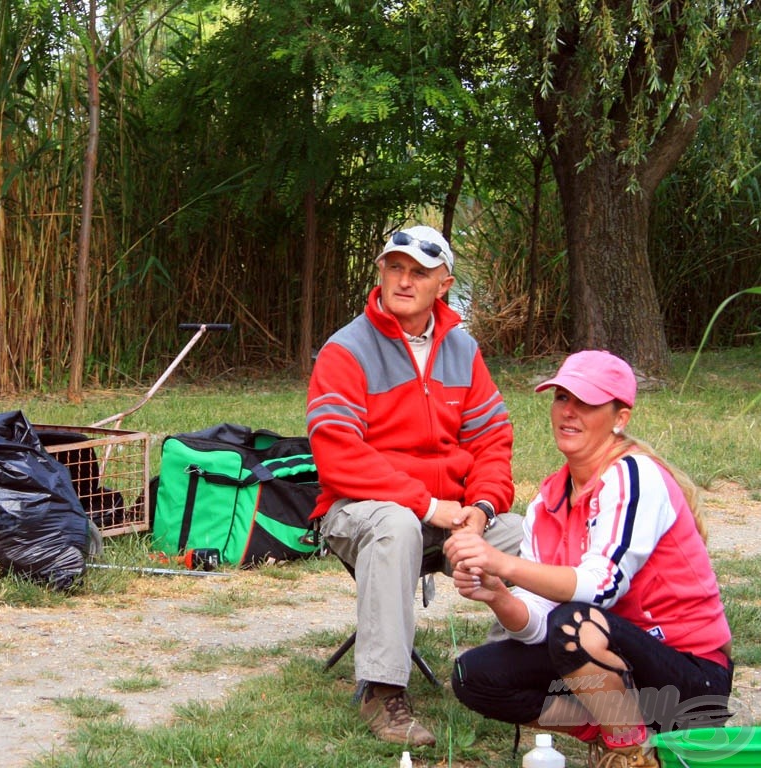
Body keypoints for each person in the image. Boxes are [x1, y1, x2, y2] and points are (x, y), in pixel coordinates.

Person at [445, 350, 733, 768]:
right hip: (612, 669)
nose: (569, 412)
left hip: (692, 680)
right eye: (561, 398)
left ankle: (630, 755)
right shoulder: (546, 501)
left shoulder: (635, 475)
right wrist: (497, 595)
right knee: (474, 674)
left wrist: (502, 562)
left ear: (620, 417)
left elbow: (602, 587)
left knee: (575, 623)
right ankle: (628, 731)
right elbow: (538, 622)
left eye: (587, 402)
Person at [306, 225, 523, 747]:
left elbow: (493, 438)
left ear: (443, 284)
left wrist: (483, 508)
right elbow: (337, 454)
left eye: (418, 273)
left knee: (522, 534)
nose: (403, 280)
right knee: (397, 523)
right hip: (359, 511)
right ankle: (382, 692)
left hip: (449, 515)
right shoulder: (346, 350)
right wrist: (429, 505)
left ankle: (509, 674)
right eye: (394, 268)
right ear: (380, 272)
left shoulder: (463, 350)